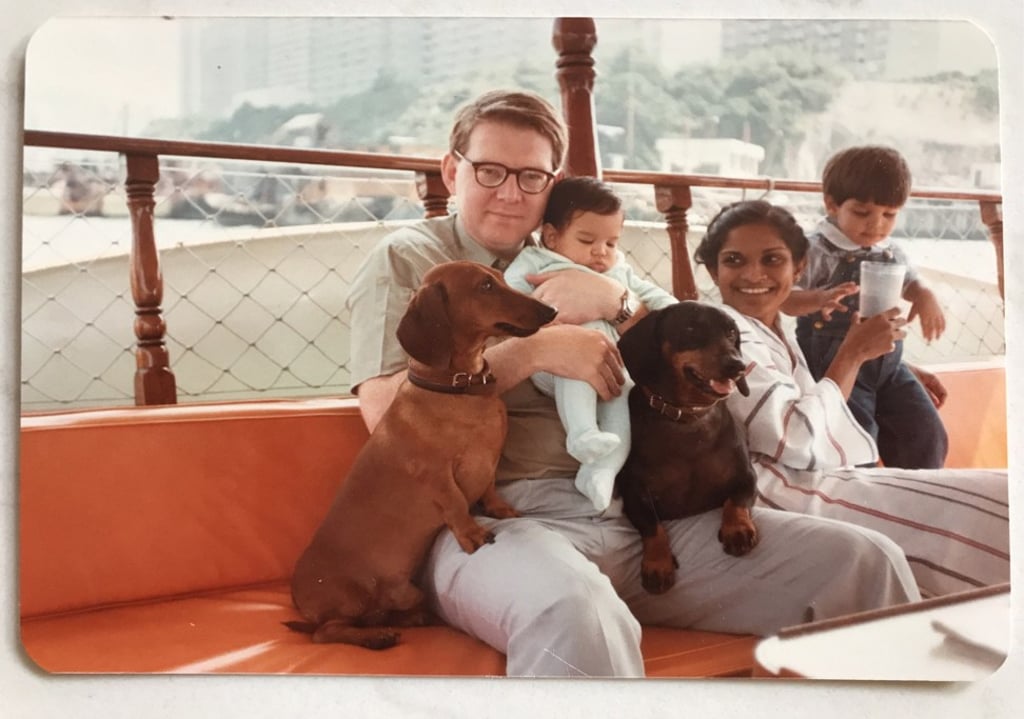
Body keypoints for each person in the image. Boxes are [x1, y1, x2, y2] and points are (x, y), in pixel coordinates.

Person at [346, 89, 920, 677]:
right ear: (452, 170)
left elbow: (687, 332)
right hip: (495, 525)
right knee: (577, 610)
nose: (511, 192)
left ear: (554, 183)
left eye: (531, 175)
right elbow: (388, 416)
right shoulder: (412, 259)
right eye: (489, 170)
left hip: (633, 513)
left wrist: (617, 303)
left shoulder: (585, 251)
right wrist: (533, 352)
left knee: (863, 561)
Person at [694, 199, 1009, 598]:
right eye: (735, 260)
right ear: (713, 270)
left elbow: (800, 396)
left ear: (800, 268)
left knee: (1001, 492)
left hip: (821, 480)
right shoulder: (722, 335)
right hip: (780, 495)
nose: (753, 274)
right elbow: (795, 437)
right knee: (994, 517)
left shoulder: (772, 332)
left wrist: (896, 365)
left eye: (772, 259)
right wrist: (853, 353)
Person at [503, 176, 677, 511]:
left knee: (621, 398)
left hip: (610, 369)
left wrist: (635, 302)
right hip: (555, 365)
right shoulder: (536, 262)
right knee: (585, 343)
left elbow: (663, 304)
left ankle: (600, 471)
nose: (601, 252)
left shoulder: (620, 273)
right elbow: (510, 297)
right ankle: (581, 433)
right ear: (552, 236)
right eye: (587, 239)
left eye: (612, 243)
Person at [783, 145, 948, 469]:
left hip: (889, 363)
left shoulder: (890, 250)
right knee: (856, 442)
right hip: (837, 363)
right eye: (862, 213)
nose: (876, 225)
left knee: (926, 433)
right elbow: (785, 299)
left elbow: (910, 282)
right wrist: (818, 299)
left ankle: (919, 498)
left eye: (889, 215)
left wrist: (924, 295)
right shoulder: (814, 249)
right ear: (832, 204)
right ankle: (866, 501)